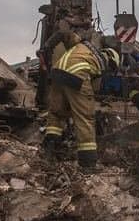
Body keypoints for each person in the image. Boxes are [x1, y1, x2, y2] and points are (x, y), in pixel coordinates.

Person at [42, 30, 101, 170]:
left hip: (56, 73)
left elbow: (63, 33)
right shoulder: (101, 61)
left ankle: (50, 150)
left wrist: (47, 47)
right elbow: (94, 88)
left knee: (56, 113)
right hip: (75, 75)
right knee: (85, 117)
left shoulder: (81, 46)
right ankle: (88, 163)